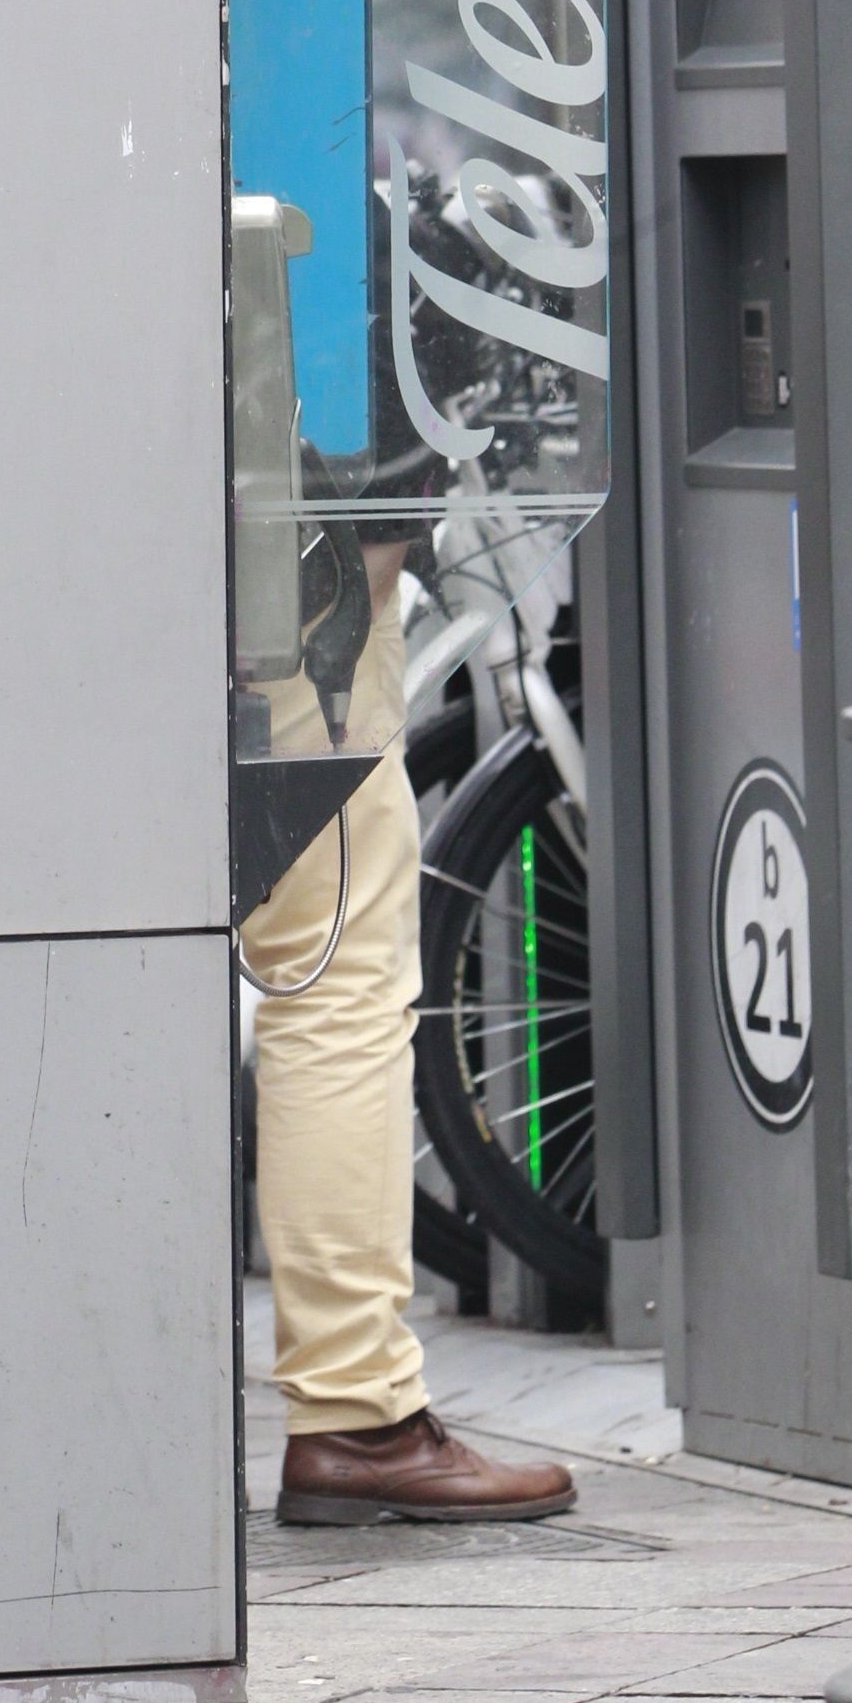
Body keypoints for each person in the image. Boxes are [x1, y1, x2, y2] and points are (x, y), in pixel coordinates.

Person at [239, 545, 576, 1526]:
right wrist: (367, 534)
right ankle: (358, 1415)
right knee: (333, 971)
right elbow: (341, 408)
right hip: (282, 556)